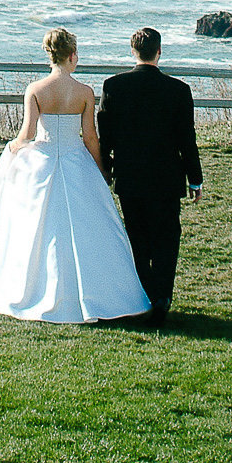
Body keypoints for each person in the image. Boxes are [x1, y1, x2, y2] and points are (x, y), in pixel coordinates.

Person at [0, 27, 150, 324]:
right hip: (77, 161)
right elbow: (90, 138)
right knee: (92, 228)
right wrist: (101, 170)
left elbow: (28, 133)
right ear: (72, 55)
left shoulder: (36, 90)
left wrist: (13, 149)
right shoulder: (85, 92)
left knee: (34, 229)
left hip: (43, 160)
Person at [97, 26, 202, 324]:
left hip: (130, 175)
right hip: (167, 178)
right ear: (159, 51)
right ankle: (162, 295)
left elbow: (106, 135)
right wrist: (195, 179)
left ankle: (146, 293)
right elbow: (187, 139)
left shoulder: (113, 86)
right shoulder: (179, 90)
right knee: (168, 236)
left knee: (137, 238)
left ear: (133, 52)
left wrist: (107, 167)